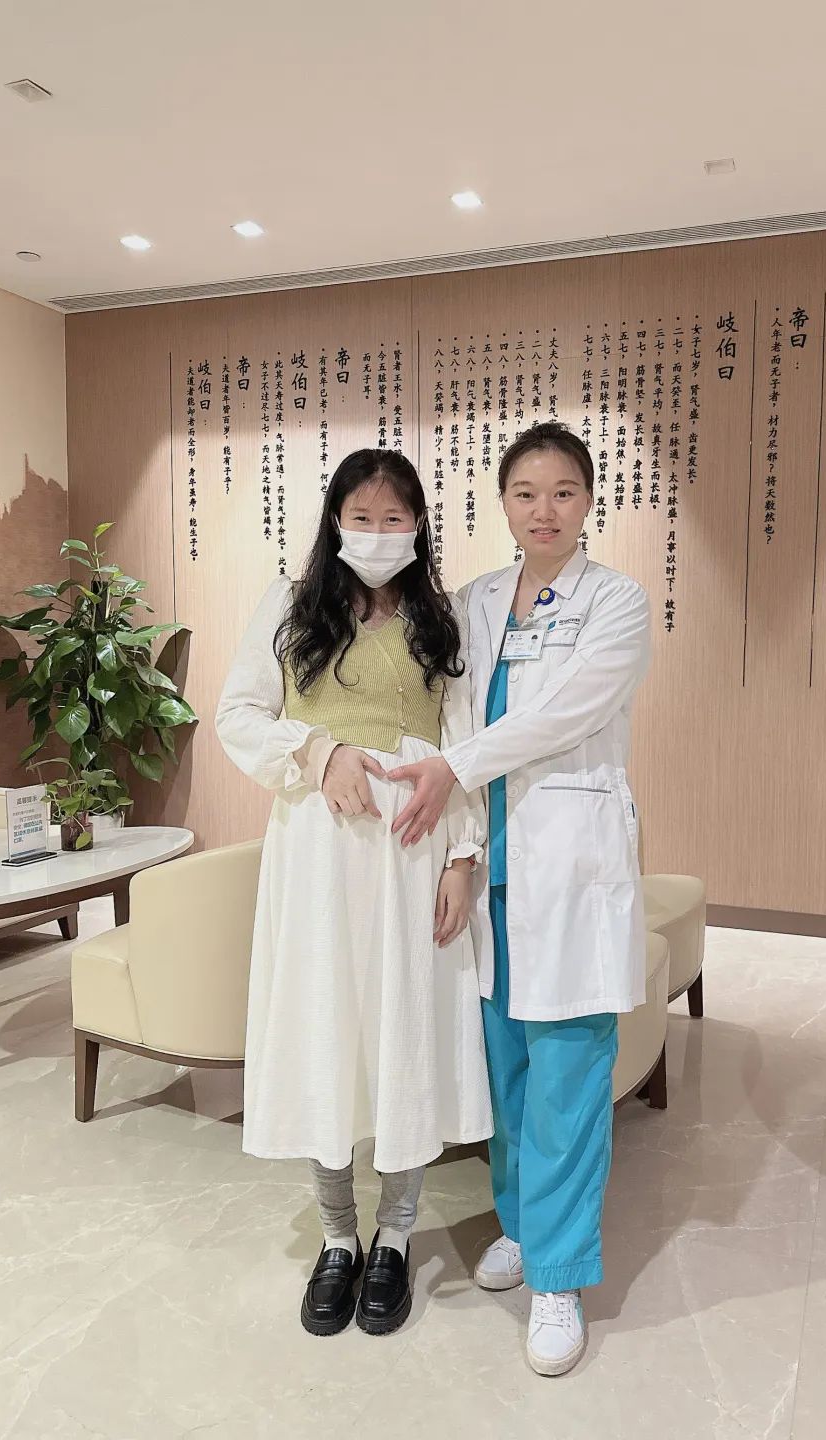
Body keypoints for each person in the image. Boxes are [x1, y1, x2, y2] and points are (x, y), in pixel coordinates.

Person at [388, 421, 651, 1376]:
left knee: (568, 1072)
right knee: (505, 1069)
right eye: (527, 493)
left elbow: (563, 714)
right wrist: (461, 848)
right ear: (502, 503)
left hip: (571, 862)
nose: (545, 510)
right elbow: (454, 711)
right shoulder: (474, 602)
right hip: (491, 862)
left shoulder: (617, 602)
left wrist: (453, 768)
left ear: (589, 503)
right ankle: (522, 1224)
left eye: (564, 492)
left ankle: (559, 1276)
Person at [216, 448, 491, 1341]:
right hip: (318, 856)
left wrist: (464, 860)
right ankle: (339, 1236)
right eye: (361, 517)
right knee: (324, 1028)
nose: (377, 533)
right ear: (335, 521)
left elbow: (464, 744)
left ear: (418, 526)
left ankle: (396, 1235)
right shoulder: (291, 607)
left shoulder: (440, 621)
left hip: (413, 851)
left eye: (393, 518)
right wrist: (317, 751)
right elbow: (236, 715)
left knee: (406, 1031)